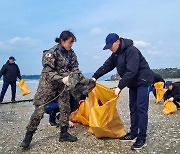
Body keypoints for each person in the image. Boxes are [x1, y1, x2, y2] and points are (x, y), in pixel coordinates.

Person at [20, 30, 83, 149]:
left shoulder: (71, 53)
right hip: (47, 85)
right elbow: (48, 72)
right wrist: (62, 79)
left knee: (65, 107)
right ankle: (28, 137)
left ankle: (64, 134)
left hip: (63, 86)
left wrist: (78, 78)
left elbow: (75, 68)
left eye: (72, 43)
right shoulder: (51, 53)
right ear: (62, 40)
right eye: (70, 42)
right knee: (39, 111)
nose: (71, 45)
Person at [92, 33, 153, 150]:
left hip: (143, 81)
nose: (110, 49)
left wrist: (119, 87)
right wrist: (95, 77)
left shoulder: (131, 51)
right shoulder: (116, 54)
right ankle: (133, 133)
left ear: (117, 42)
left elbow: (132, 71)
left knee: (141, 108)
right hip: (133, 83)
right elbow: (107, 66)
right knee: (133, 107)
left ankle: (142, 138)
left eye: (110, 46)